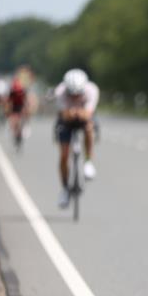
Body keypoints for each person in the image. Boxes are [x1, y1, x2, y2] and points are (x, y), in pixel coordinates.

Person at [53, 68, 99, 208]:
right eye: (71, 94)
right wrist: (74, 113)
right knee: (64, 155)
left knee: (89, 128)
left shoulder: (92, 90)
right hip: (65, 121)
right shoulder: (60, 91)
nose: (74, 97)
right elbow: (65, 115)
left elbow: (88, 114)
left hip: (84, 118)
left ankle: (88, 161)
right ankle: (65, 189)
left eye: (78, 94)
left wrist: (77, 112)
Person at [5, 77, 29, 147]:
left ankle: (18, 132)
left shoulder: (18, 91)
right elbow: (9, 102)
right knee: (15, 121)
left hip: (19, 106)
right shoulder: (15, 91)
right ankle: (17, 132)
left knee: (16, 121)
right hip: (16, 107)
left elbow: (25, 101)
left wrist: (8, 111)